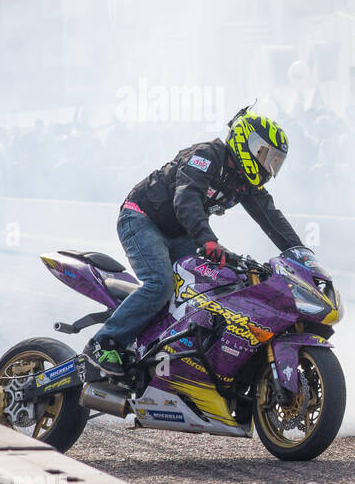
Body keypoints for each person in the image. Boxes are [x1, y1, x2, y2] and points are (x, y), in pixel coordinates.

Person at [86, 109, 304, 375]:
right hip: (142, 217)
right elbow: (186, 198)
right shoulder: (205, 155)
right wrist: (207, 240)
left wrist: (299, 253)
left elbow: (272, 219)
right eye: (266, 155)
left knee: (207, 286)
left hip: (180, 233)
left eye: (276, 160)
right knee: (161, 284)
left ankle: (158, 356)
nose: (269, 165)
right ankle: (104, 342)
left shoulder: (245, 183)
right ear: (248, 143)